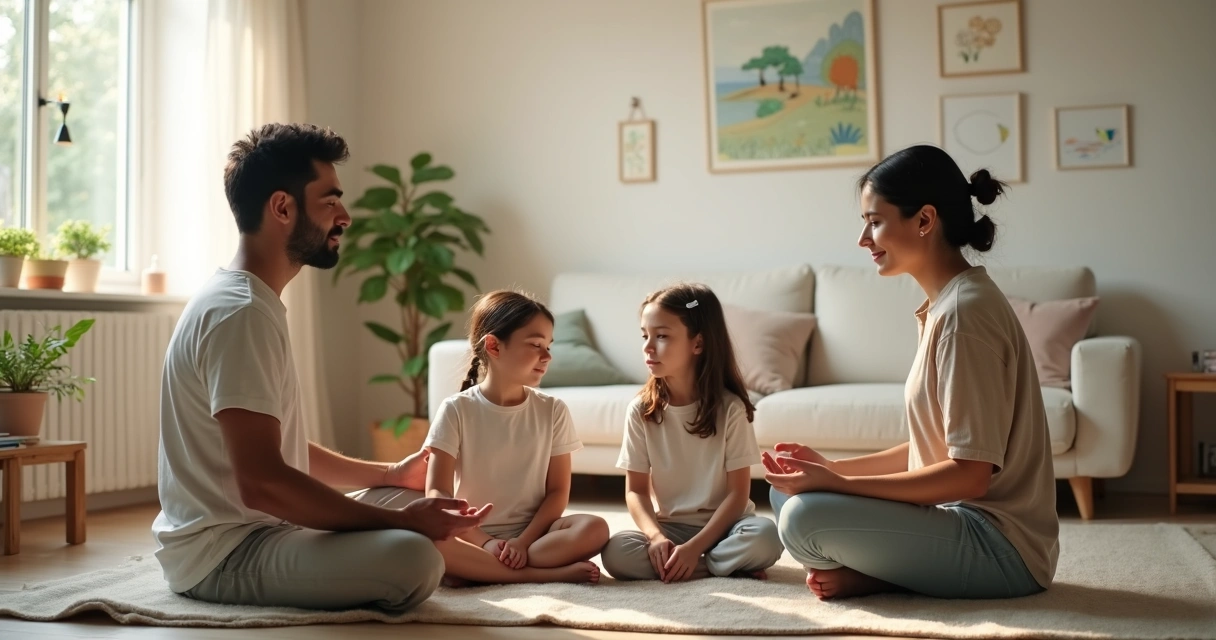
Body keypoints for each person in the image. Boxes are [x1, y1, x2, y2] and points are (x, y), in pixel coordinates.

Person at [152, 123, 490, 612]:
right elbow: (263, 481)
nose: (345, 216)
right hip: (223, 554)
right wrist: (405, 525)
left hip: (264, 532)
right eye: (330, 201)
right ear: (282, 208)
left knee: (402, 503)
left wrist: (391, 474)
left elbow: (277, 448)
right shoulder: (241, 313)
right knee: (413, 557)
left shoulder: (248, 300)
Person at [763, 144, 1059, 601]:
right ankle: (884, 574)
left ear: (924, 220)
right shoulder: (947, 305)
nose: (864, 240)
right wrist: (830, 469)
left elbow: (969, 476)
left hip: (1001, 550)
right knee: (788, 494)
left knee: (804, 518)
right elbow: (933, 448)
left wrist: (840, 485)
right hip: (954, 521)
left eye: (874, 222)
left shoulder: (965, 316)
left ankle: (882, 576)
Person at [422, 290, 609, 585]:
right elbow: (437, 494)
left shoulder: (553, 410)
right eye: (536, 345)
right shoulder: (456, 409)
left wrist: (521, 543)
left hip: (536, 537)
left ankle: (482, 571)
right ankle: (540, 575)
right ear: (494, 346)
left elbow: (557, 492)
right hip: (472, 536)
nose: (547, 356)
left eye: (548, 346)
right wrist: (486, 543)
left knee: (595, 527)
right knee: (428, 542)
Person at [601, 284, 783, 582]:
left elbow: (738, 495)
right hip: (672, 527)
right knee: (616, 552)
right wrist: (656, 537)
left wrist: (694, 548)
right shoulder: (640, 410)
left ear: (697, 344)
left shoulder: (731, 409)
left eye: (661, 336)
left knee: (766, 536)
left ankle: (693, 564)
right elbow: (635, 491)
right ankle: (720, 567)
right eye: (645, 335)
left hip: (727, 526)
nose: (648, 347)